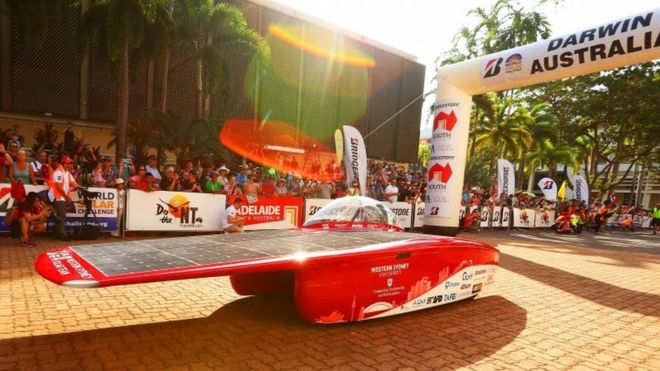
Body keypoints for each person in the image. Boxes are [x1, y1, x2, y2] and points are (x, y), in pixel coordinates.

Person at [48, 155, 79, 241]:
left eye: (72, 163)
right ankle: (62, 235)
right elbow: (58, 187)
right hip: (56, 196)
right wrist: (66, 197)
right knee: (61, 215)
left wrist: (75, 188)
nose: (71, 165)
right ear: (64, 164)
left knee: (60, 215)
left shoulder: (68, 173)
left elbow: (75, 184)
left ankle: (57, 234)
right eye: (69, 163)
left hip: (62, 196)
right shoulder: (59, 172)